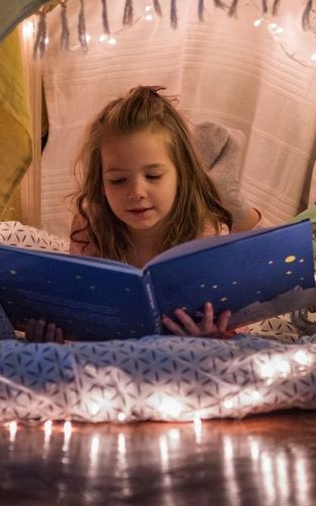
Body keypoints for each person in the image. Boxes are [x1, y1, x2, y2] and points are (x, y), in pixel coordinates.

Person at [26, 86, 235, 343]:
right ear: (100, 184)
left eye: (153, 176)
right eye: (118, 180)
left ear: (183, 174)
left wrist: (211, 337)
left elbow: (224, 323)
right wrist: (55, 337)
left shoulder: (205, 235)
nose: (136, 191)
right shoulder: (90, 227)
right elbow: (82, 319)